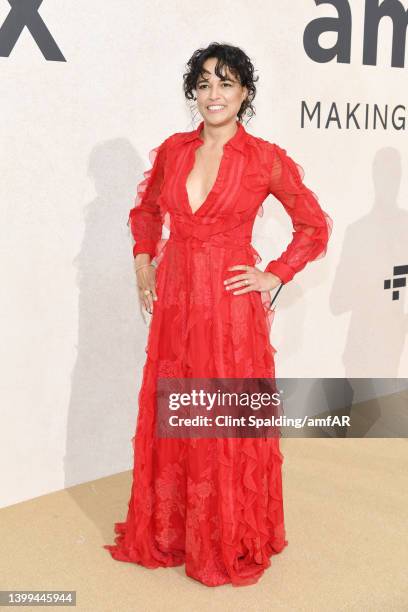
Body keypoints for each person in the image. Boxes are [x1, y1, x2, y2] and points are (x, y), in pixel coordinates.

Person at [104, 42, 333, 587]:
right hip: (177, 306)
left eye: (226, 84)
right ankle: (174, 532)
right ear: (194, 93)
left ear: (245, 93)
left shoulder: (264, 158)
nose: (214, 94)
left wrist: (273, 273)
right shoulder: (174, 151)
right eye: (204, 84)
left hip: (232, 313)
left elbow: (313, 225)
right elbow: (147, 210)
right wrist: (143, 258)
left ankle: (226, 535)